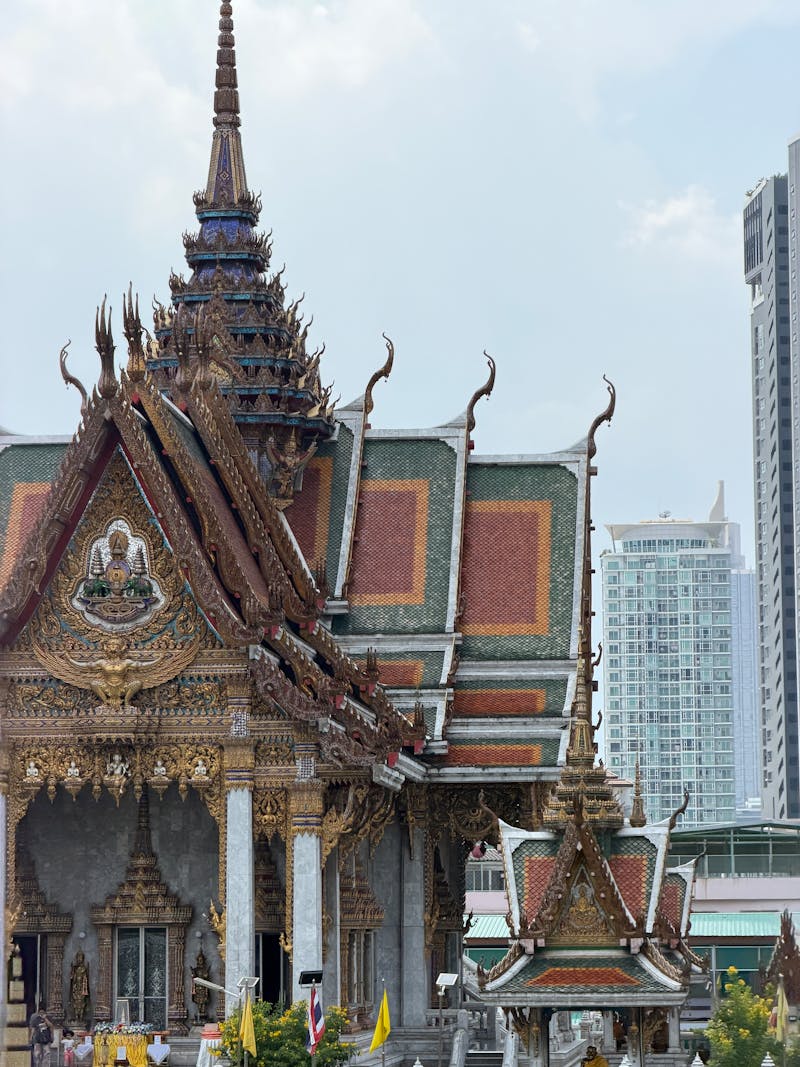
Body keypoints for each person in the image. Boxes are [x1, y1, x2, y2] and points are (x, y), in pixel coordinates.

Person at [29, 1003, 54, 1067]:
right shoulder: (35, 1018)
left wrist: (45, 1018)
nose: (41, 1013)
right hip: (37, 1038)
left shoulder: (49, 1017)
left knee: (47, 1054)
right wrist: (31, 1038)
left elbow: (51, 1026)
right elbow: (33, 1029)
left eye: (43, 1012)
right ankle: (37, 1065)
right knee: (37, 1054)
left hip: (46, 1038)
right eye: (40, 1012)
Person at [69, 949, 90, 1024]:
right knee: (75, 1003)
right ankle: (76, 1017)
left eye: (81, 957)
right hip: (76, 987)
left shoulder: (83, 969)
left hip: (82, 987)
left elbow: (85, 978)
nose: (79, 959)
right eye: (78, 957)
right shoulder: (75, 968)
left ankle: (81, 1017)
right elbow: (72, 978)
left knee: (82, 1003)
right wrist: (73, 971)